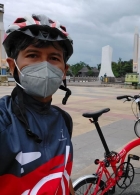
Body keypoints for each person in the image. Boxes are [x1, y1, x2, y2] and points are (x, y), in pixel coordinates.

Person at [0, 14, 75, 195]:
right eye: (33, 55)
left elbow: (63, 175)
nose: (45, 66)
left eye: (54, 58)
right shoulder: (3, 120)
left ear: (64, 71)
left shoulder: (64, 119)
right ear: (12, 66)